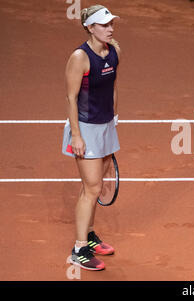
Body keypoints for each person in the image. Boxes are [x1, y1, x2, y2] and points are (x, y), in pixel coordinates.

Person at [62, 4, 121, 271]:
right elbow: (71, 98)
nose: (110, 29)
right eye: (104, 25)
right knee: (92, 188)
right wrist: (76, 135)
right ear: (90, 27)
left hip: (107, 125)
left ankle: (90, 235)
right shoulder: (80, 57)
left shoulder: (114, 51)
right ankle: (78, 249)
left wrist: (114, 119)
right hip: (85, 128)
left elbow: (113, 87)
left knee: (95, 187)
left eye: (111, 24)